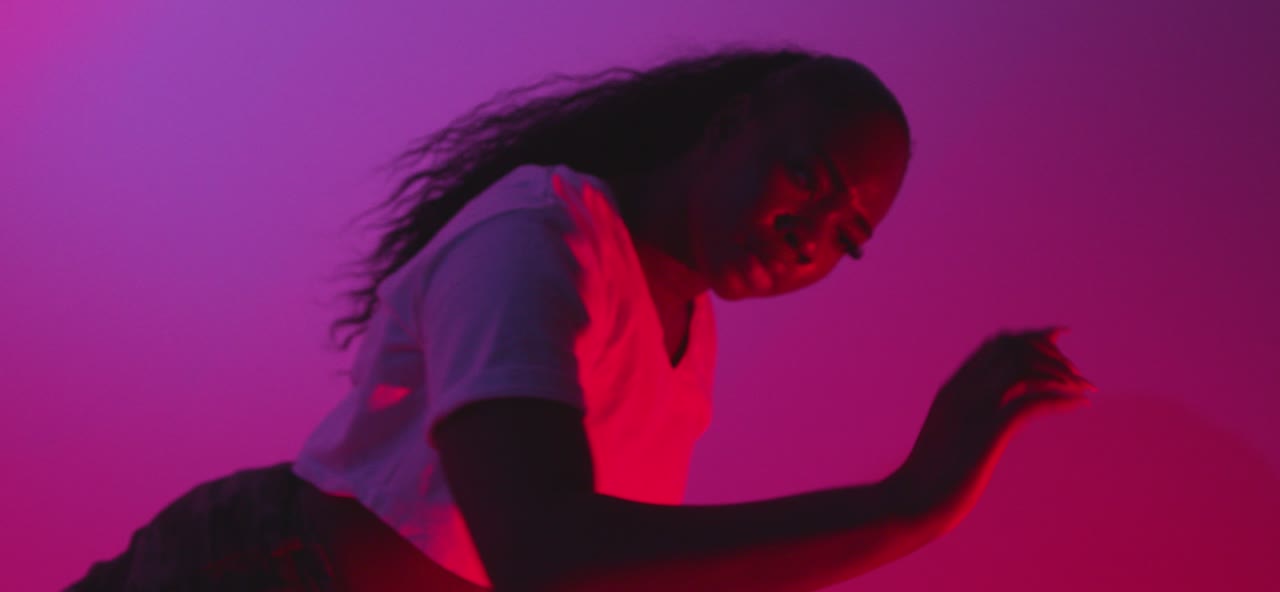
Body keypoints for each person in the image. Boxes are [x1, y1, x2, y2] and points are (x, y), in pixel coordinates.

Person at [68, 47, 1096, 591]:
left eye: (845, 235)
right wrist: (908, 504)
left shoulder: (682, 339)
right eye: (803, 179)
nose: (808, 234)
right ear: (729, 125)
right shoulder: (540, 235)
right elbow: (547, 553)